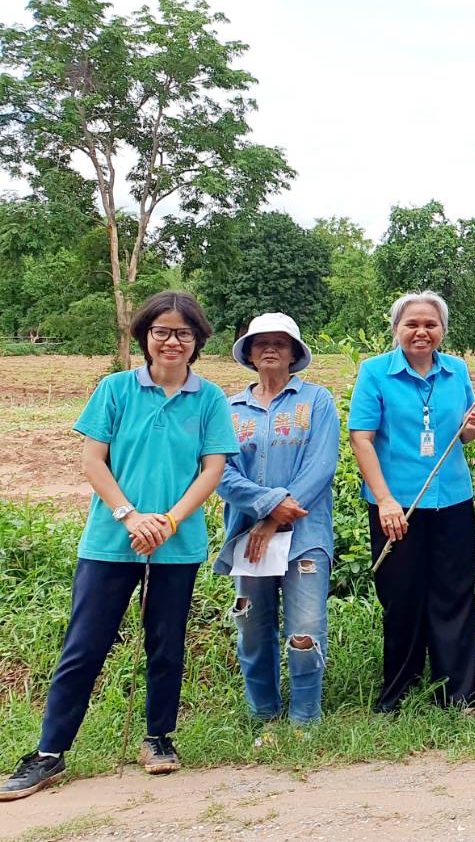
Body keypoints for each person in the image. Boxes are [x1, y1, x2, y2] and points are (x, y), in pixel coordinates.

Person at [2, 292, 238, 802]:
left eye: (183, 333)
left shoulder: (210, 399)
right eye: (161, 331)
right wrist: (130, 515)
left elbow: (213, 469)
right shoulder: (115, 389)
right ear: (145, 336)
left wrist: (169, 521)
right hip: (110, 541)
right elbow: (93, 461)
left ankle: (159, 738)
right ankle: (49, 752)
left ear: (197, 340)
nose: (172, 341)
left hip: (176, 544)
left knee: (166, 645)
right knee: (84, 645)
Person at [348, 291, 475, 712]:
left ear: (442, 329)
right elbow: (361, 439)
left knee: (454, 594)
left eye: (431, 324)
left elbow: (463, 436)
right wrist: (385, 500)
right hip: (397, 506)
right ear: (396, 329)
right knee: (401, 596)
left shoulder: (456, 370)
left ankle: (459, 694)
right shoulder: (375, 372)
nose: (421, 332)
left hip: (453, 500)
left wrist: (472, 427)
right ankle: (399, 691)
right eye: (412, 324)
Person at [214, 313, 340, 725]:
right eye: (260, 342)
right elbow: (220, 471)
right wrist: (268, 505)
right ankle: (262, 713)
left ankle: (305, 719)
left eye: (280, 343)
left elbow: (321, 467)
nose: (270, 348)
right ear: (249, 354)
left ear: (294, 353)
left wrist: (273, 520)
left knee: (305, 631)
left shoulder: (316, 401)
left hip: (305, 535)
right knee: (251, 628)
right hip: (246, 537)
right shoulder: (229, 409)